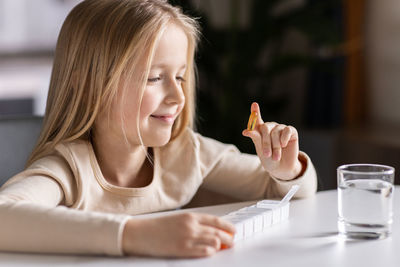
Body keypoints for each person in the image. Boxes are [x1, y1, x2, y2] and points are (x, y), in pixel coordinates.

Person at [0, 0, 317, 258]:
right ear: (88, 88)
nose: (178, 97)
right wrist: (134, 235)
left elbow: (294, 192)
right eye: (154, 78)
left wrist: (285, 170)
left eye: (180, 77)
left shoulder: (187, 153)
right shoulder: (70, 170)